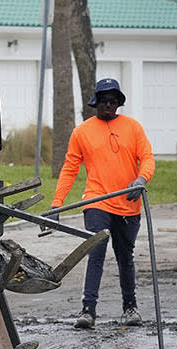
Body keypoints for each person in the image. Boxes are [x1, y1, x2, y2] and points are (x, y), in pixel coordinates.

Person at [51, 77, 156, 329]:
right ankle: (88, 310)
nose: (108, 106)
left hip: (128, 204)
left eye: (112, 101)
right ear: (95, 103)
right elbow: (69, 169)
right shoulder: (82, 132)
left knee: (125, 256)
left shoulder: (133, 128)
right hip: (97, 202)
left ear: (118, 103)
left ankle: (130, 308)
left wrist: (141, 180)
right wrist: (57, 203)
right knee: (95, 252)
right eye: (103, 101)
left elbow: (148, 159)